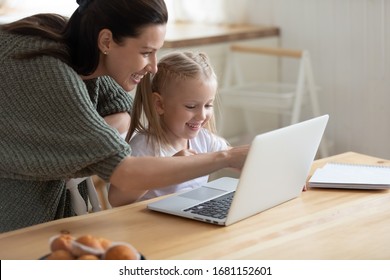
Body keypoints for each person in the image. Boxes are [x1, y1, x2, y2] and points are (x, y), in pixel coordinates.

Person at [0, 0, 248, 233]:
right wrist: (225, 158)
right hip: (16, 225)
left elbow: (119, 107)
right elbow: (125, 174)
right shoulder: (48, 71)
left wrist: (95, 139)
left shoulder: (84, 50)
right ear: (106, 41)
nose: (153, 67)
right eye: (145, 52)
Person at [112, 51, 231, 205]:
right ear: (160, 104)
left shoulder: (204, 139)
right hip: (151, 225)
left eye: (208, 105)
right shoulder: (144, 148)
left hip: (190, 219)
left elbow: (233, 156)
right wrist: (171, 168)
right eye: (191, 106)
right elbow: (116, 199)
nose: (202, 116)